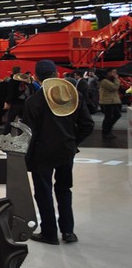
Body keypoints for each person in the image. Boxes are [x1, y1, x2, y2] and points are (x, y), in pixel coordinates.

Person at [22, 60, 94, 245]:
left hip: (41, 154)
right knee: (64, 189)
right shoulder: (73, 96)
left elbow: (29, 134)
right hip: (66, 152)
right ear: (56, 73)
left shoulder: (33, 101)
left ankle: (49, 233)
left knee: (43, 193)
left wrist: (26, 160)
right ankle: (68, 232)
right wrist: (72, 142)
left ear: (36, 77)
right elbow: (87, 125)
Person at [98, 68, 122, 140]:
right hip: (107, 102)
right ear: (108, 73)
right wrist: (117, 79)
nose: (115, 74)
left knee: (116, 115)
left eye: (115, 72)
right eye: (113, 72)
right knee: (108, 117)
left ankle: (108, 129)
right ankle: (106, 132)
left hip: (113, 101)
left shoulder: (110, 80)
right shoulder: (104, 81)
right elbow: (114, 87)